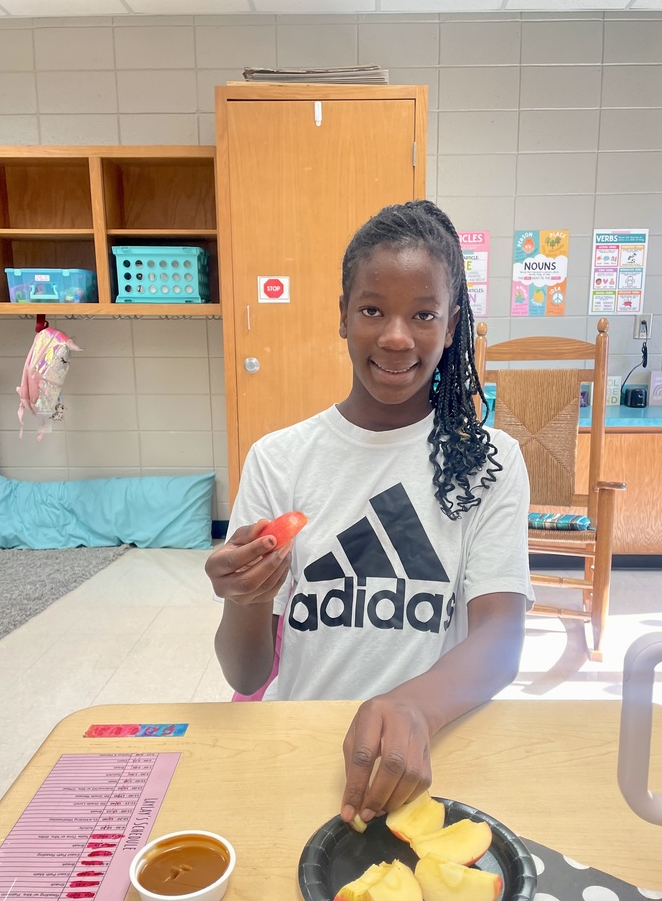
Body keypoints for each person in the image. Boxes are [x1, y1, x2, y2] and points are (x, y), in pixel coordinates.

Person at [205, 199, 533, 827]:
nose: (396, 337)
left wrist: (414, 708)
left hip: (432, 752)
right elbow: (245, 670)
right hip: (302, 753)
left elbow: (501, 640)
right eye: (373, 309)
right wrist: (243, 597)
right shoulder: (279, 459)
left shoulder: (489, 461)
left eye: (423, 314)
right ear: (343, 317)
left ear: (452, 322)